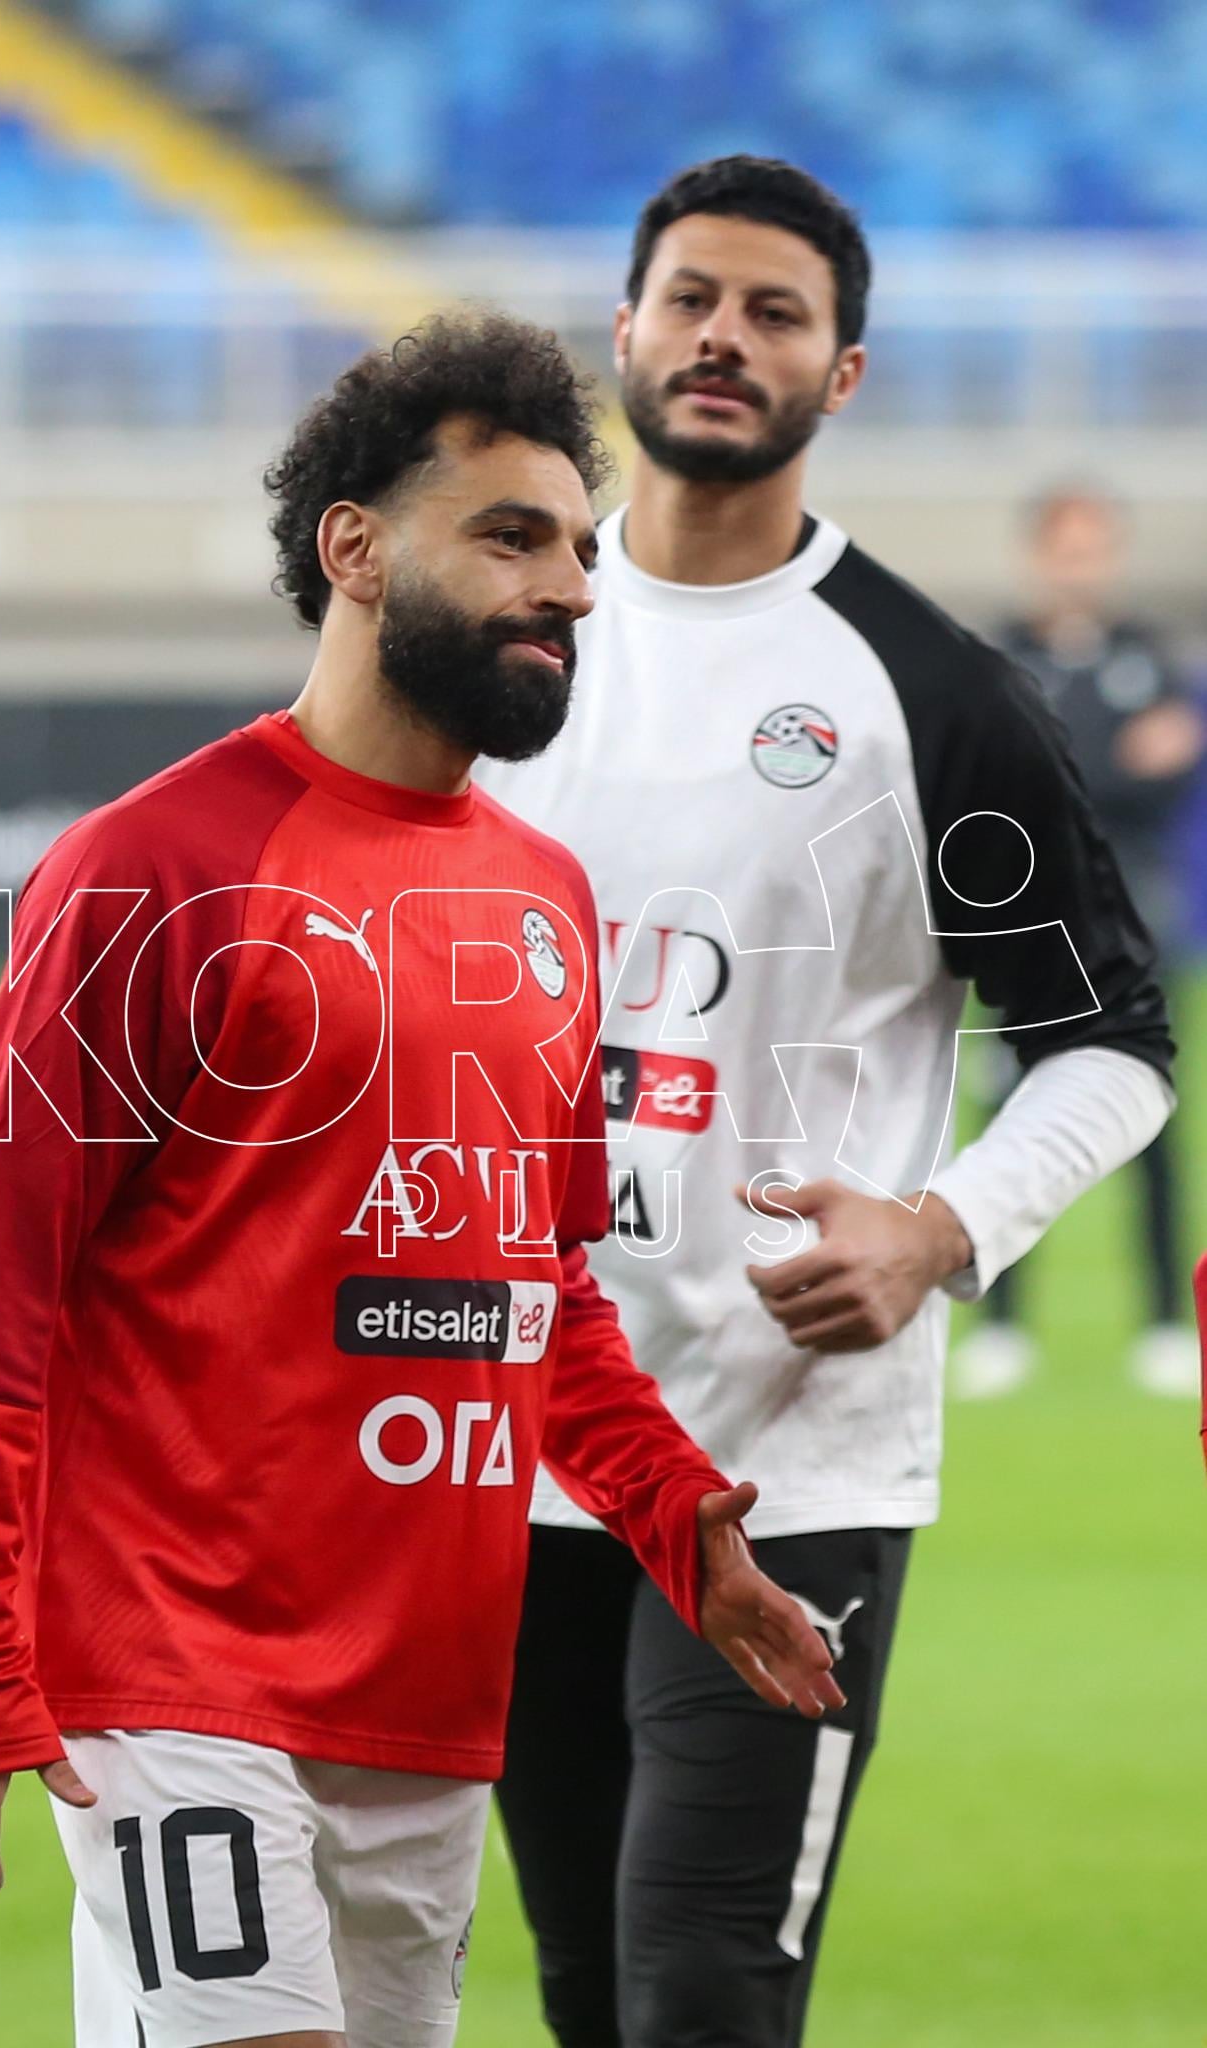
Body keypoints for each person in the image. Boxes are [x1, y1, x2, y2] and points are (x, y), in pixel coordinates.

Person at [0, 311, 842, 2048]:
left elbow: (539, 1299)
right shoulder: (150, 870)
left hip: (424, 1691)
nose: (569, 585)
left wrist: (680, 1522)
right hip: (177, 1667)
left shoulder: (547, 898)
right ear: (355, 549)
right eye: (509, 536)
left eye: (572, 543)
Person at [476, 159, 1175, 2048]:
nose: (724, 335)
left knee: (701, 1982)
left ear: (841, 373)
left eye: (774, 312)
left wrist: (943, 1225)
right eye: (691, 297)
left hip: (788, 1457)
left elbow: (1114, 1033)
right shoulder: (499, 635)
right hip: (504, 1433)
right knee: (578, 1991)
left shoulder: (931, 695)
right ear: (619, 334)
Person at [952, 485, 1203, 1400]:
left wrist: (1076, 770)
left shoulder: (1150, 656)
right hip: (1024, 922)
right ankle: (1003, 1325)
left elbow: (1164, 784)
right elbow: (1008, 782)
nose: (1080, 566)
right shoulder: (997, 657)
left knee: (1154, 1118)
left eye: (1096, 549)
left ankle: (1168, 1324)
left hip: (1134, 921)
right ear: (1038, 556)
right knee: (1012, 1114)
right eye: (1066, 549)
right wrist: (1104, 765)